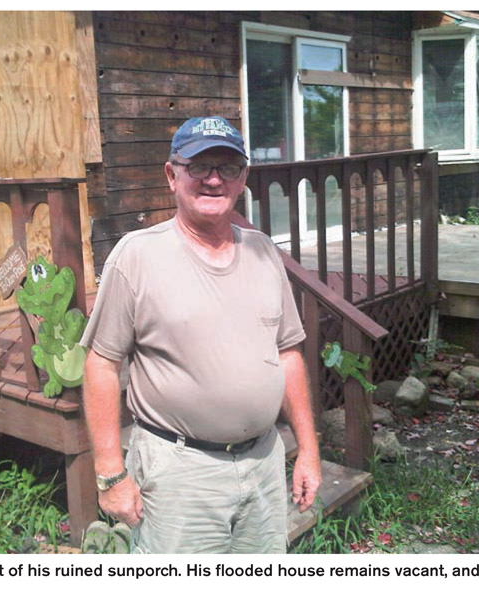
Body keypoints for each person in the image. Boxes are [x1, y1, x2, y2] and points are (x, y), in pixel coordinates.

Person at [80, 116, 321, 553]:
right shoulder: (137, 256)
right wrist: (111, 473)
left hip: (264, 461)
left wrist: (307, 449)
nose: (213, 179)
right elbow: (101, 364)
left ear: (243, 178)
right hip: (179, 472)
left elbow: (288, 354)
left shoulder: (263, 252)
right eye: (199, 166)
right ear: (172, 175)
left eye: (227, 168)